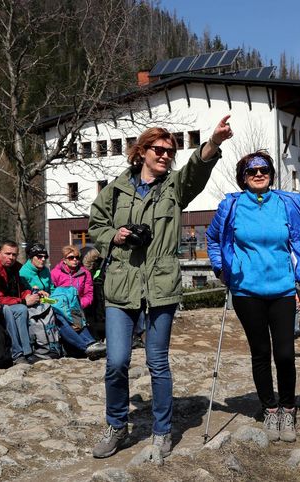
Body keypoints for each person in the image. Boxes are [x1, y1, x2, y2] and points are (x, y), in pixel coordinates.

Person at [88, 116, 232, 459]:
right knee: (116, 361)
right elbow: (95, 224)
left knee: (157, 362)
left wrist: (214, 142)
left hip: (160, 285)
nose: (166, 155)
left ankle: (162, 431)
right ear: (142, 152)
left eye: (170, 151)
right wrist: (115, 235)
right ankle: (117, 426)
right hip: (122, 285)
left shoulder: (175, 187)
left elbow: (198, 168)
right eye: (159, 149)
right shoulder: (117, 188)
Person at [207, 150, 300, 444]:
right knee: (260, 352)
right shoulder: (231, 205)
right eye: (251, 170)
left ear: (271, 173)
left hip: (283, 289)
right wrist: (222, 269)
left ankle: (288, 408)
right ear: (243, 177)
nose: (258, 174)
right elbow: (214, 239)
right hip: (246, 291)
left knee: (284, 354)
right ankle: (270, 408)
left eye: (264, 169)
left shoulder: (287, 203)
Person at [19, 243, 105, 359]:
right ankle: (85, 347)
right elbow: (24, 292)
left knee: (71, 312)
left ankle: (91, 342)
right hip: (36, 304)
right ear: (31, 257)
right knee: (60, 316)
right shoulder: (24, 272)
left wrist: (63, 302)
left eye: (45, 257)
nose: (43, 259)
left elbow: (53, 289)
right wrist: (39, 294)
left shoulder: (45, 271)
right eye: (39, 256)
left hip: (54, 302)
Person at [0, 240, 41, 365]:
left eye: (14, 254)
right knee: (21, 309)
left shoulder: (15, 267)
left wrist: (30, 295)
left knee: (31, 307)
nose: (11, 257)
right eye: (7, 254)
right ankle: (20, 353)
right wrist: (23, 301)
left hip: (11, 303)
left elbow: (21, 289)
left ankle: (28, 352)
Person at [51, 245, 94, 311]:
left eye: (77, 257)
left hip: (78, 310)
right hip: (60, 310)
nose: (75, 259)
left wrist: (80, 304)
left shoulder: (85, 273)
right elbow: (51, 293)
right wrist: (59, 304)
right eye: (71, 257)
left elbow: (88, 294)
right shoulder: (55, 273)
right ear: (64, 260)